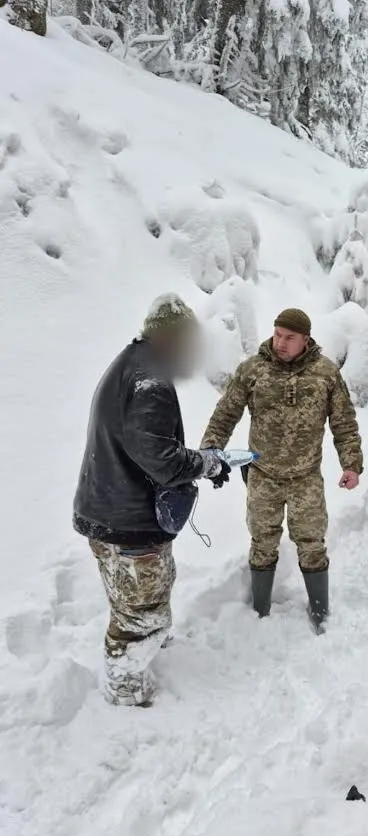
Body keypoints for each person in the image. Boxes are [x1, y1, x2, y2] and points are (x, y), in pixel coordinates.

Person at [73, 294, 230, 707]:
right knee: (139, 618)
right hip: (130, 526)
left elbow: (143, 446)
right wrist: (208, 463)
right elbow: (163, 462)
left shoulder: (130, 365)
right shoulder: (151, 382)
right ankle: (127, 702)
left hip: (106, 514)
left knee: (132, 606)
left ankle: (142, 666)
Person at [200, 308, 363, 631]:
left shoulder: (325, 374)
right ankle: (259, 611)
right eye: (277, 335)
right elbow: (226, 413)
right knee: (262, 542)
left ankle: (320, 613)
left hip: (306, 479)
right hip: (263, 476)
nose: (281, 343)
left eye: (289, 337)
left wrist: (351, 464)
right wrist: (210, 449)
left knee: (312, 544)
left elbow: (344, 422)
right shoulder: (253, 370)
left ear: (305, 339)